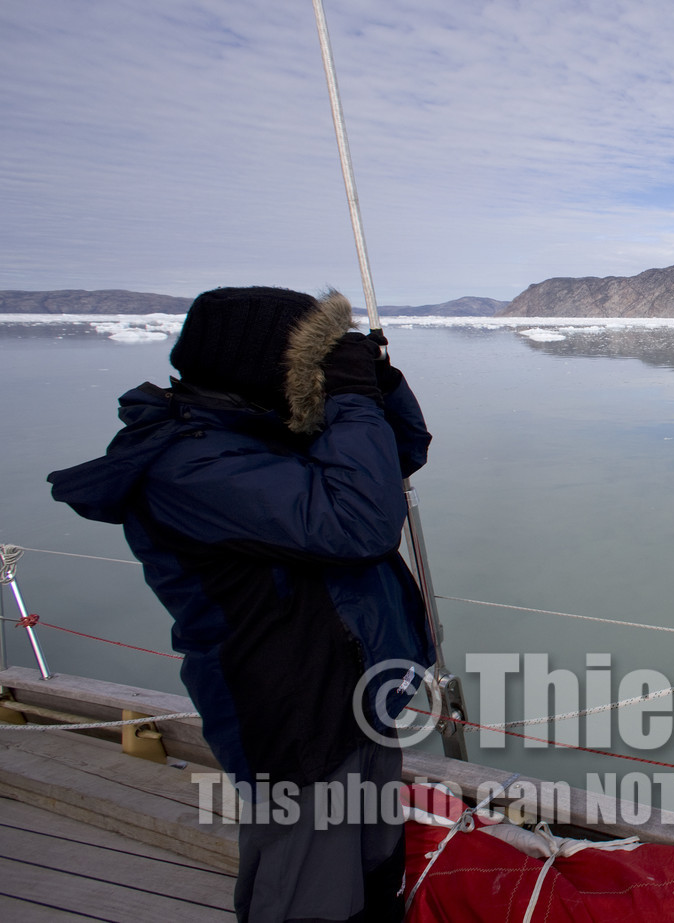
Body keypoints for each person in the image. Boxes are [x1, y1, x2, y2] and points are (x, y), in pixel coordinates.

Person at [48, 286, 436, 923]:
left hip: (351, 687)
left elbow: (399, 456)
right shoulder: (192, 464)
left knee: (373, 864)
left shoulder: (262, 435)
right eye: (315, 362)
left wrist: (378, 388)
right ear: (264, 366)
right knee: (309, 885)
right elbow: (361, 523)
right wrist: (348, 400)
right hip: (290, 707)